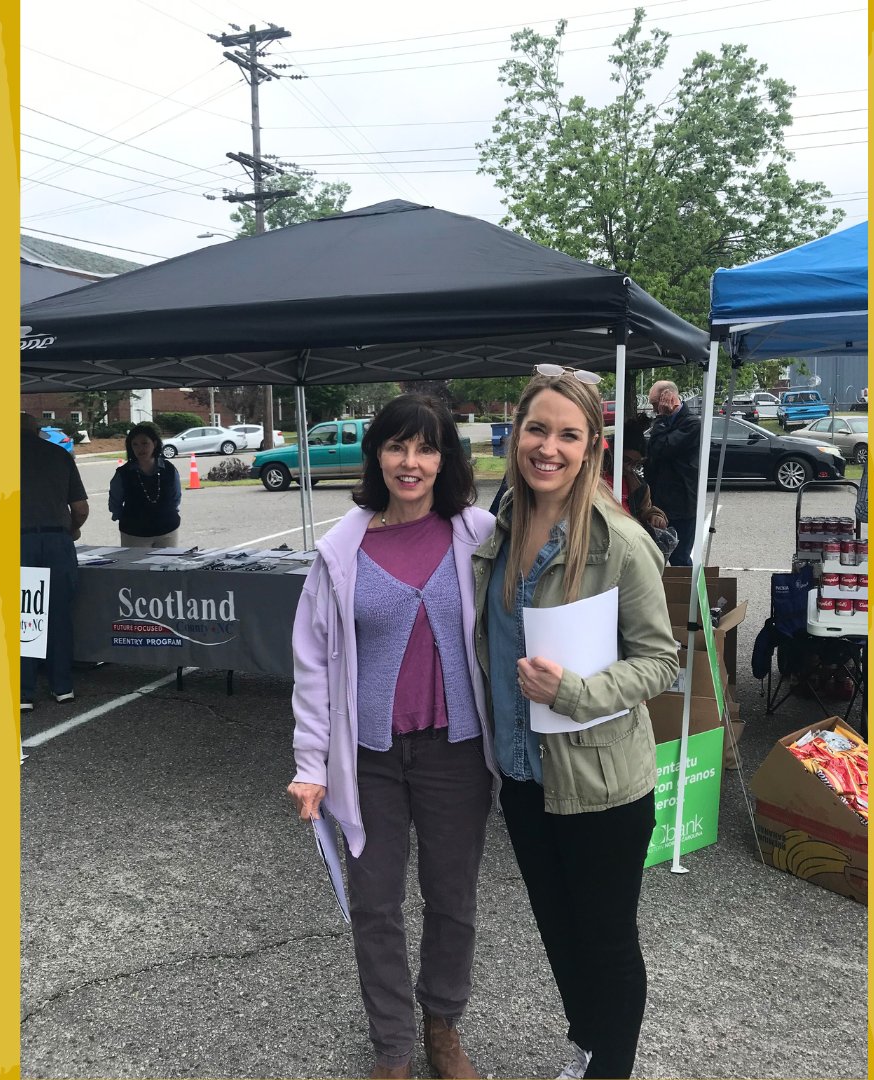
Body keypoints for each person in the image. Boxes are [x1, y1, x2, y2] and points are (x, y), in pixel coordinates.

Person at [471, 365, 679, 1080]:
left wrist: (577, 693)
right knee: (560, 934)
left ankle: (609, 1068)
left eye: (568, 434)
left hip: (602, 786)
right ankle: (591, 1049)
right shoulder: (499, 532)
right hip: (525, 778)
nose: (548, 447)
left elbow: (661, 661)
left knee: (606, 941)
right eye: (537, 429)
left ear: (591, 447)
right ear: (515, 436)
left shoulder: (619, 541)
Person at [286, 393, 497, 1080]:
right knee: (374, 902)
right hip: (367, 758)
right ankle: (393, 1048)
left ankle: (442, 1026)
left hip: (455, 751)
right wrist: (309, 763)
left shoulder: (475, 534)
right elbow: (313, 665)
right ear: (376, 454)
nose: (412, 462)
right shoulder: (342, 551)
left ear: (446, 459)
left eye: (428, 447)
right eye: (398, 446)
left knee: (452, 895)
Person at [20, 411, 89, 709]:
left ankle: (24, 692)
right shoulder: (60, 456)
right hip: (58, 540)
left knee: (25, 615)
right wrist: (71, 529)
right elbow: (81, 508)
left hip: (19, 541)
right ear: (37, 431)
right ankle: (62, 687)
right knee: (58, 613)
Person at [644, 379, 701, 566]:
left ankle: (687, 595)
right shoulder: (667, 422)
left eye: (655, 404)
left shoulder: (691, 424)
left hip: (682, 504)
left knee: (680, 558)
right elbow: (651, 452)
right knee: (654, 556)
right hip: (661, 501)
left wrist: (660, 419)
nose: (654, 410)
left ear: (669, 397)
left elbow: (661, 448)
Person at [108, 423, 182, 547]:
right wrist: (124, 518)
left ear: (155, 443)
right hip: (134, 533)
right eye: (135, 445)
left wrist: (169, 512)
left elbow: (176, 496)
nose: (140, 449)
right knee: (136, 566)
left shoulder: (168, 469)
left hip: (167, 530)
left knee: (168, 565)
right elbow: (115, 501)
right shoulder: (123, 473)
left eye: (144, 443)